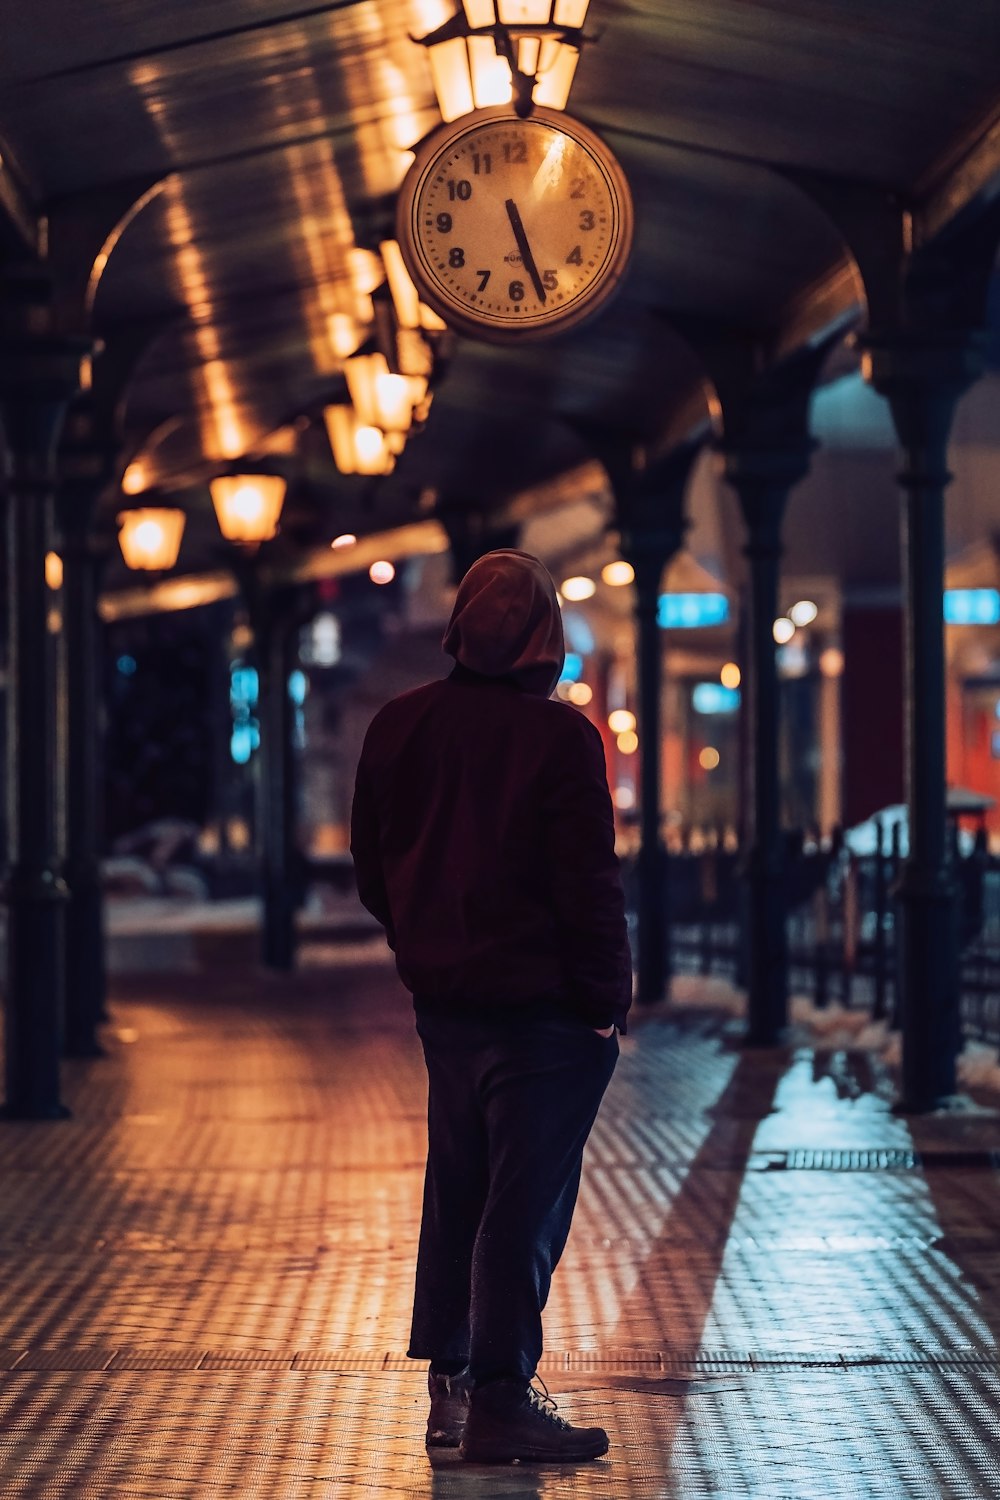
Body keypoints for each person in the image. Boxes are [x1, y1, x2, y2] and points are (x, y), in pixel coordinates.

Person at [350, 548, 632, 1464]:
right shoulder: (559, 738)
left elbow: (373, 865)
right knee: (524, 1201)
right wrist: (605, 1003)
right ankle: (505, 1396)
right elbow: (588, 884)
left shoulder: (400, 726)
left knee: (460, 1187)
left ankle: (452, 1394)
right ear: (544, 637)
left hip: (449, 1005)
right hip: (544, 1011)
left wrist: (421, 941)